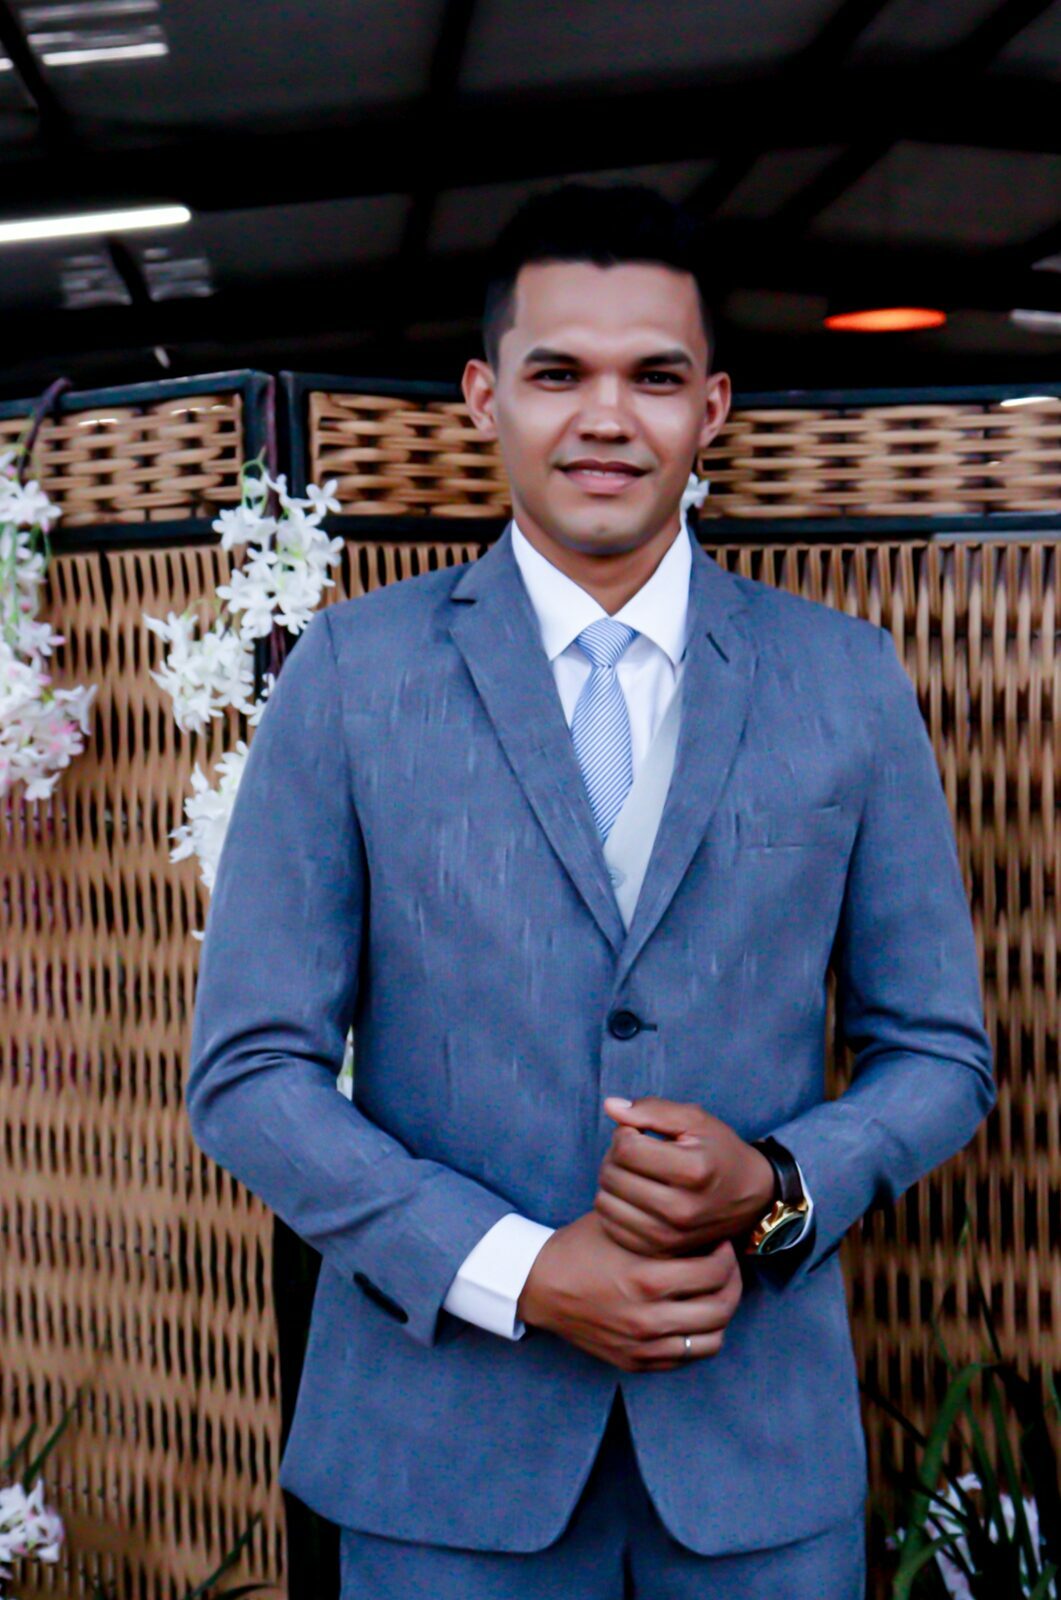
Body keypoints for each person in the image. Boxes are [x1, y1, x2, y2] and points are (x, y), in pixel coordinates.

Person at [186, 181, 996, 1598]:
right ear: (483, 397)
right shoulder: (352, 677)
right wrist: (515, 1270)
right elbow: (249, 1073)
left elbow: (938, 1050)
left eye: (655, 377)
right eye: (559, 373)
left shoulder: (845, 680)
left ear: (712, 409)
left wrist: (775, 1186)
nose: (606, 417)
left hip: (755, 1466)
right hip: (442, 1469)